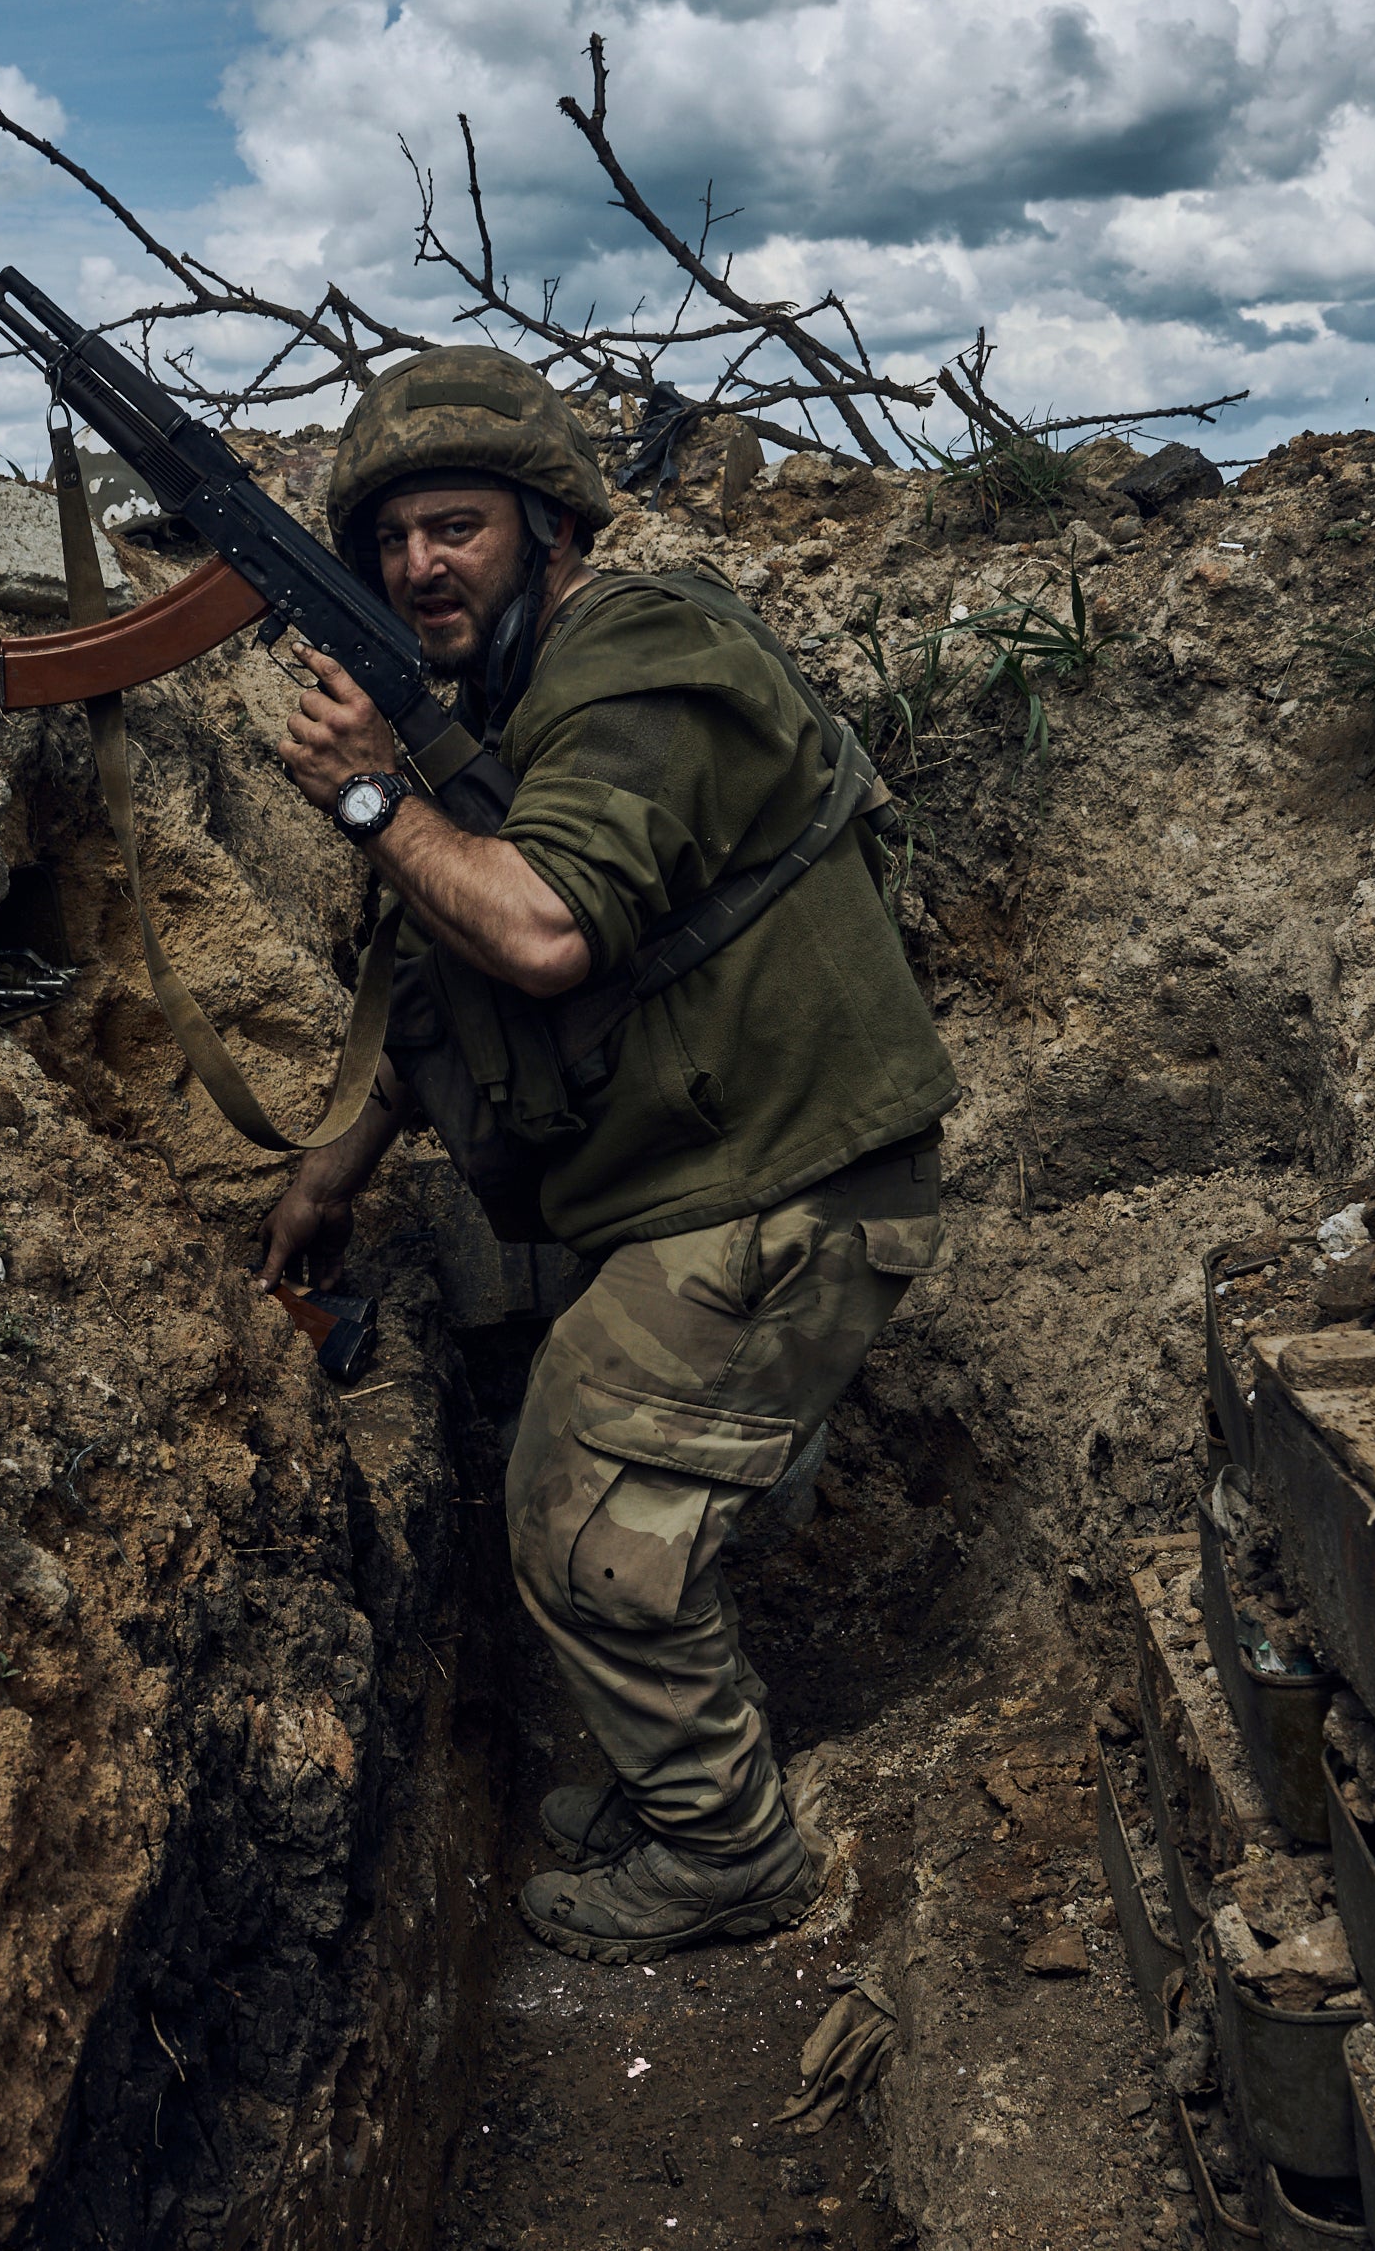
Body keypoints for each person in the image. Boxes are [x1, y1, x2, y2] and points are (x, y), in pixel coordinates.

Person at [253, 346, 957, 1963]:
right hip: (714, 1174)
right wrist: (337, 1165)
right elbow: (454, 973)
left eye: (457, 528)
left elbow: (544, 930)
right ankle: (678, 1771)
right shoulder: (514, 707)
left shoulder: (638, 655)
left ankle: (732, 1851)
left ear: (547, 529)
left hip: (792, 1187)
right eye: (393, 541)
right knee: (595, 1499)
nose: (419, 566)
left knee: (575, 1519)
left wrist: (372, 798)